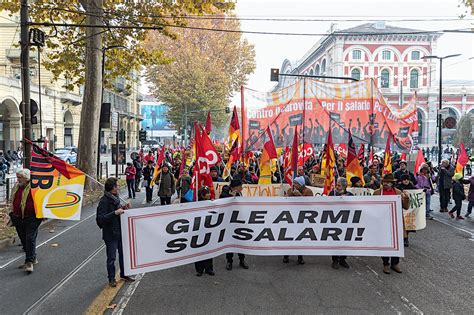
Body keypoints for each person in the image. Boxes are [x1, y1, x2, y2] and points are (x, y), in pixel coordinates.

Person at [96, 178, 134, 287]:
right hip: (111, 234)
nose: (118, 187)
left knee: (124, 255)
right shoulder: (104, 201)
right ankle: (111, 278)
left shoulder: (115, 198)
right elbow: (100, 219)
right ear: (112, 188)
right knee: (111, 258)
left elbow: (118, 212)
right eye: (117, 185)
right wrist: (115, 213)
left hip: (120, 231)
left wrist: (124, 208)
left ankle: (124, 273)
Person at [373, 174, 409, 274]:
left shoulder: (398, 192)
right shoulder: (377, 193)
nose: (386, 184)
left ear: (392, 183)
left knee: (397, 243)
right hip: (383, 222)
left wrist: (406, 198)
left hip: (396, 221)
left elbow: (405, 207)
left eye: (388, 182)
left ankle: (395, 263)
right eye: (384, 182)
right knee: (385, 243)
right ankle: (386, 264)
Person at [9, 169, 41, 273]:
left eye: (20, 177)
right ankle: (33, 257)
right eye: (17, 177)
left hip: (33, 217)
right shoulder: (16, 187)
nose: (18, 180)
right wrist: (11, 213)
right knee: (23, 239)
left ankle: (29, 262)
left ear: (27, 179)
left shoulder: (35, 187)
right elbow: (12, 199)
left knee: (30, 238)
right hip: (18, 217)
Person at [220, 179, 249, 270]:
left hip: (239, 221)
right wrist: (229, 197)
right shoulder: (225, 193)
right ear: (234, 187)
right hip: (229, 222)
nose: (242, 188)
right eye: (240, 186)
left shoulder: (239, 194)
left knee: (240, 240)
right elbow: (221, 203)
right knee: (230, 242)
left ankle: (242, 260)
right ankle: (229, 261)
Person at [283, 176, 313, 265]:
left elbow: (311, 203)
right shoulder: (290, 190)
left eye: (296, 183)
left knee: (300, 238)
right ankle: (286, 255)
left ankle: (300, 257)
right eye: (294, 183)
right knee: (288, 237)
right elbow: (286, 201)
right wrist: (288, 196)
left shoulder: (308, 191)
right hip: (291, 217)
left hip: (302, 218)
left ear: (300, 184)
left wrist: (300, 196)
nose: (294, 185)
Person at [329, 177, 353, 269]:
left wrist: (347, 199)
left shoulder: (350, 195)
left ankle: (343, 259)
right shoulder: (332, 194)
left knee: (345, 241)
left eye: (339, 185)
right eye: (337, 185)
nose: (337, 187)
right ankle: (335, 260)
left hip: (346, 221)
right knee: (335, 241)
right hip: (335, 220)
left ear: (344, 186)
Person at [194, 186, 215, 277]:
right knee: (198, 250)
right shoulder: (196, 204)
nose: (209, 194)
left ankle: (209, 268)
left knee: (209, 250)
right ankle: (199, 269)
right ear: (202, 195)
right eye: (207, 193)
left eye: (209, 193)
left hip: (209, 230)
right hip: (198, 230)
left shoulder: (212, 203)